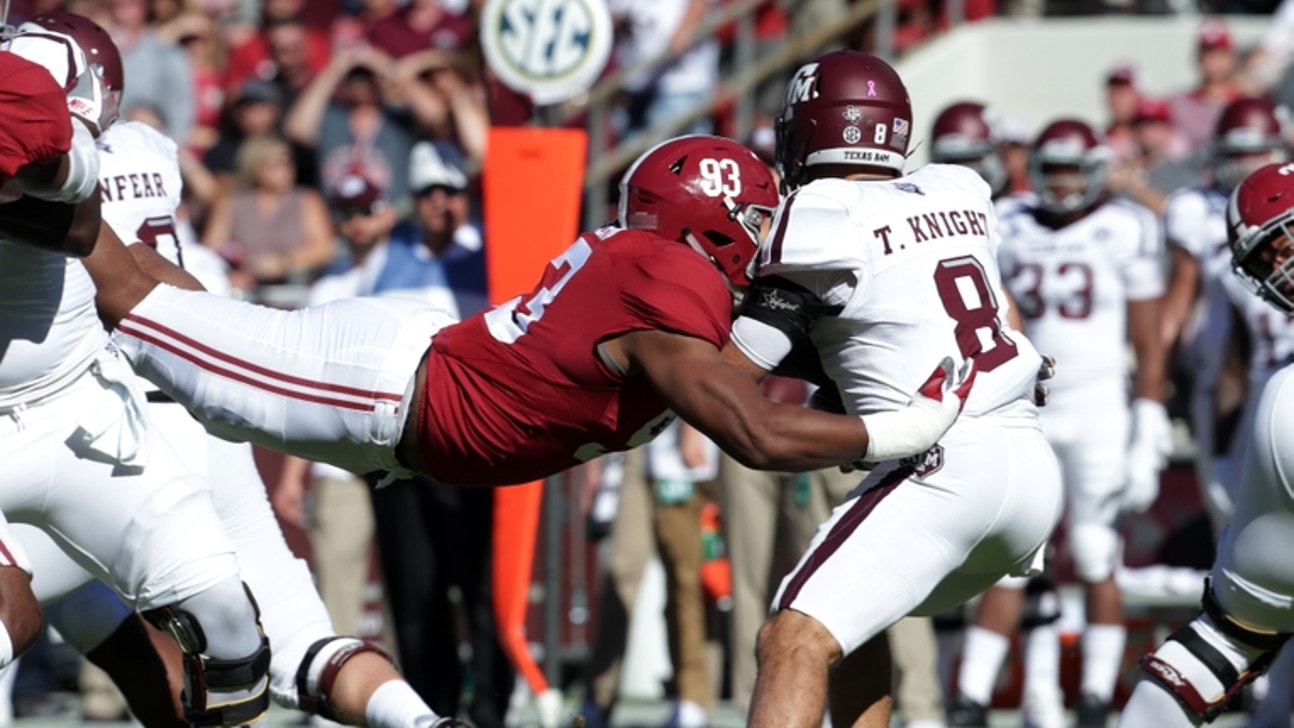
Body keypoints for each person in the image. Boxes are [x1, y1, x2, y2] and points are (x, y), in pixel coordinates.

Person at [76, 133, 975, 504]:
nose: (765, 238)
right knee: (134, 306)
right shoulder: (663, 276)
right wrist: (903, 428)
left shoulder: (661, 277)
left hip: (394, 394)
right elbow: (755, 432)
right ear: (713, 218)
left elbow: (743, 369)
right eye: (756, 219)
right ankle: (45, 174)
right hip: (377, 391)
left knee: (175, 314)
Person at [725, 50, 1063, 728]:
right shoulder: (956, 189)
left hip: (946, 466)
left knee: (790, 639)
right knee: (849, 624)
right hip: (1029, 463)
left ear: (812, 130)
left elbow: (734, 370)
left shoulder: (820, 212)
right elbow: (1002, 317)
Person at [0, 13, 274, 724]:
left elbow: (83, 224)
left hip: (81, 410)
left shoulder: (32, 68)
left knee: (229, 629)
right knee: (10, 622)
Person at [949, 117, 1170, 728]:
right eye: (1054, 170)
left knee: (1098, 553)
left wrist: (1149, 418)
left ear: (1097, 170)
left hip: (1100, 409)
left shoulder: (1126, 226)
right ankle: (970, 696)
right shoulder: (1011, 221)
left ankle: (1096, 697)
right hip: (1031, 406)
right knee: (1011, 551)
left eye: (1075, 169)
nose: (1064, 182)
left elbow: (1149, 340)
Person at [1114, 161, 1294, 728]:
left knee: (1226, 635)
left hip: (1279, 407)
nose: (1283, 269)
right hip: (1276, 409)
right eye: (1271, 258)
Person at [1159, 96, 1289, 540]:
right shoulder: (1196, 208)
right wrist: (1155, 392)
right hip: (1240, 379)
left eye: (1256, 151)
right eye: (1235, 154)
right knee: (1238, 522)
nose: (1246, 163)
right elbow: (1180, 305)